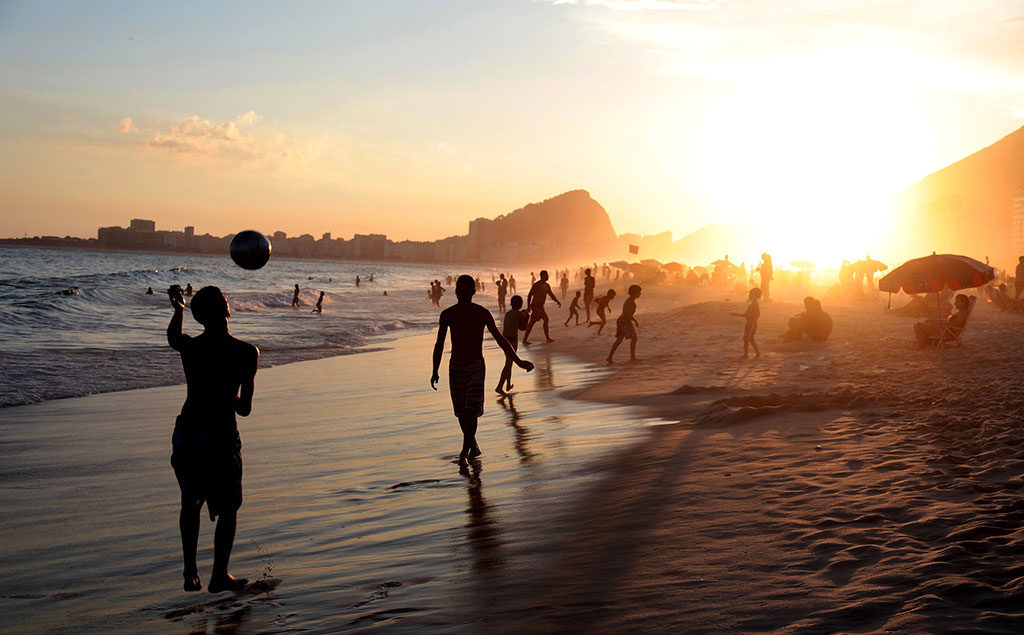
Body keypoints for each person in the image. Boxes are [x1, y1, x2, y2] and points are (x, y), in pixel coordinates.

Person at [166, 284, 258, 594]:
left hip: (189, 429)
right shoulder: (247, 352)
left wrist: (178, 309)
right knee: (229, 506)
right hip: (220, 433)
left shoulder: (192, 348)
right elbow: (244, 409)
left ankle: (190, 571)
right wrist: (226, 393)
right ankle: (220, 574)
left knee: (190, 501)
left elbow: (173, 339)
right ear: (227, 310)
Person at [431, 276, 534, 466]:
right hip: (455, 366)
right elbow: (439, 344)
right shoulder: (448, 314)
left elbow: (501, 340)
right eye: (459, 287)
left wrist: (518, 361)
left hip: (475, 366)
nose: (462, 290)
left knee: (471, 410)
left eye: (466, 287)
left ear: (473, 291)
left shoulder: (482, 313)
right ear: (456, 291)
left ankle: (464, 450)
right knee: (461, 412)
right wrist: (435, 370)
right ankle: (473, 444)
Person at [496, 295, 530, 394]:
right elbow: (522, 328)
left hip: (504, 339)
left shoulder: (508, 313)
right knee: (508, 363)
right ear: (520, 304)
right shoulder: (519, 314)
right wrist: (527, 317)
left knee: (509, 362)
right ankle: (499, 386)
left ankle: (508, 384)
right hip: (512, 341)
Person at [523, 270, 562, 345]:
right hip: (535, 306)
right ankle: (547, 338)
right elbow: (530, 295)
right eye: (546, 275)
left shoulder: (547, 285)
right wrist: (528, 306)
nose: (548, 276)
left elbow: (551, 294)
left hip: (540, 306)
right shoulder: (536, 285)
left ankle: (525, 339)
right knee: (546, 319)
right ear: (542, 276)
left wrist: (557, 301)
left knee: (532, 323)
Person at [606, 285, 641, 364]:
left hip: (620, 320)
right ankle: (633, 357)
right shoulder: (631, 302)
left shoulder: (629, 300)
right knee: (634, 338)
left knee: (619, 340)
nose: (640, 294)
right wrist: (634, 321)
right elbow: (628, 314)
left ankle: (609, 357)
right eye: (639, 292)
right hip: (625, 321)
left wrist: (633, 321)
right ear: (634, 293)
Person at [733, 288, 762, 359]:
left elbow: (756, 315)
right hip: (749, 323)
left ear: (755, 295)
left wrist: (752, 325)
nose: (749, 295)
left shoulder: (755, 305)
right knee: (749, 338)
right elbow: (746, 315)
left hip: (752, 324)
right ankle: (756, 352)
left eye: (750, 294)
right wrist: (736, 314)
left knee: (747, 338)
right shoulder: (752, 304)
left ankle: (746, 354)